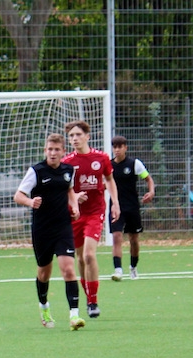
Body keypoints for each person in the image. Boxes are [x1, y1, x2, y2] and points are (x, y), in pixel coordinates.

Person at [14, 133, 84, 331]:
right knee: (44, 273)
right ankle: (44, 306)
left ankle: (74, 315)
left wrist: (75, 206)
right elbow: (18, 195)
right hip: (42, 229)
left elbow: (69, 190)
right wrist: (30, 202)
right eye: (50, 149)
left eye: (57, 150)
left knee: (68, 269)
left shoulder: (68, 170)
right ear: (45, 150)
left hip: (63, 227)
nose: (53, 153)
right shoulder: (36, 171)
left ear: (63, 151)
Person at [63, 120, 120, 319]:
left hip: (95, 212)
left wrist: (115, 203)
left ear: (87, 136)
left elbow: (109, 180)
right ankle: (88, 297)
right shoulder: (67, 163)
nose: (75, 139)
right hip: (75, 214)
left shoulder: (101, 158)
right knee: (80, 258)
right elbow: (63, 190)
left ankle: (93, 301)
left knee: (89, 255)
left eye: (78, 135)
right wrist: (74, 197)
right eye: (71, 136)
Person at [108, 135, 155, 281]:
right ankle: (118, 270)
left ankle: (133, 267)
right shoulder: (108, 166)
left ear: (125, 148)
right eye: (115, 147)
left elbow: (148, 179)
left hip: (132, 207)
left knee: (133, 239)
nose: (117, 150)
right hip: (116, 207)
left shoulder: (135, 164)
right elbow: (104, 184)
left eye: (120, 147)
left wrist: (151, 192)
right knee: (116, 236)